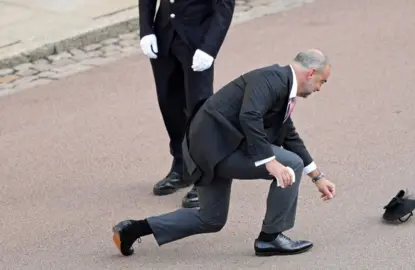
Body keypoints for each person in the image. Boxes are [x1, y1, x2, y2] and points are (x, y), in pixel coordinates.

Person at [112, 49, 336, 257]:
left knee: (210, 219)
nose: (320, 88)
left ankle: (133, 229)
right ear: (311, 73)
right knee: (291, 164)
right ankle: (271, 237)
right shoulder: (272, 79)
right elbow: (250, 116)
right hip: (217, 149)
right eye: (322, 82)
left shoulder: (280, 85)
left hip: (210, 150)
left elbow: (289, 136)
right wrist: (271, 162)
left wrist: (318, 177)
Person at [138, 0, 235, 208]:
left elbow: (224, 7)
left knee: (199, 110)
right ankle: (181, 165)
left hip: (198, 39)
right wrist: (146, 30)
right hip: (164, 35)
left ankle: (205, 176)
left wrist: (210, 48)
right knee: (169, 103)